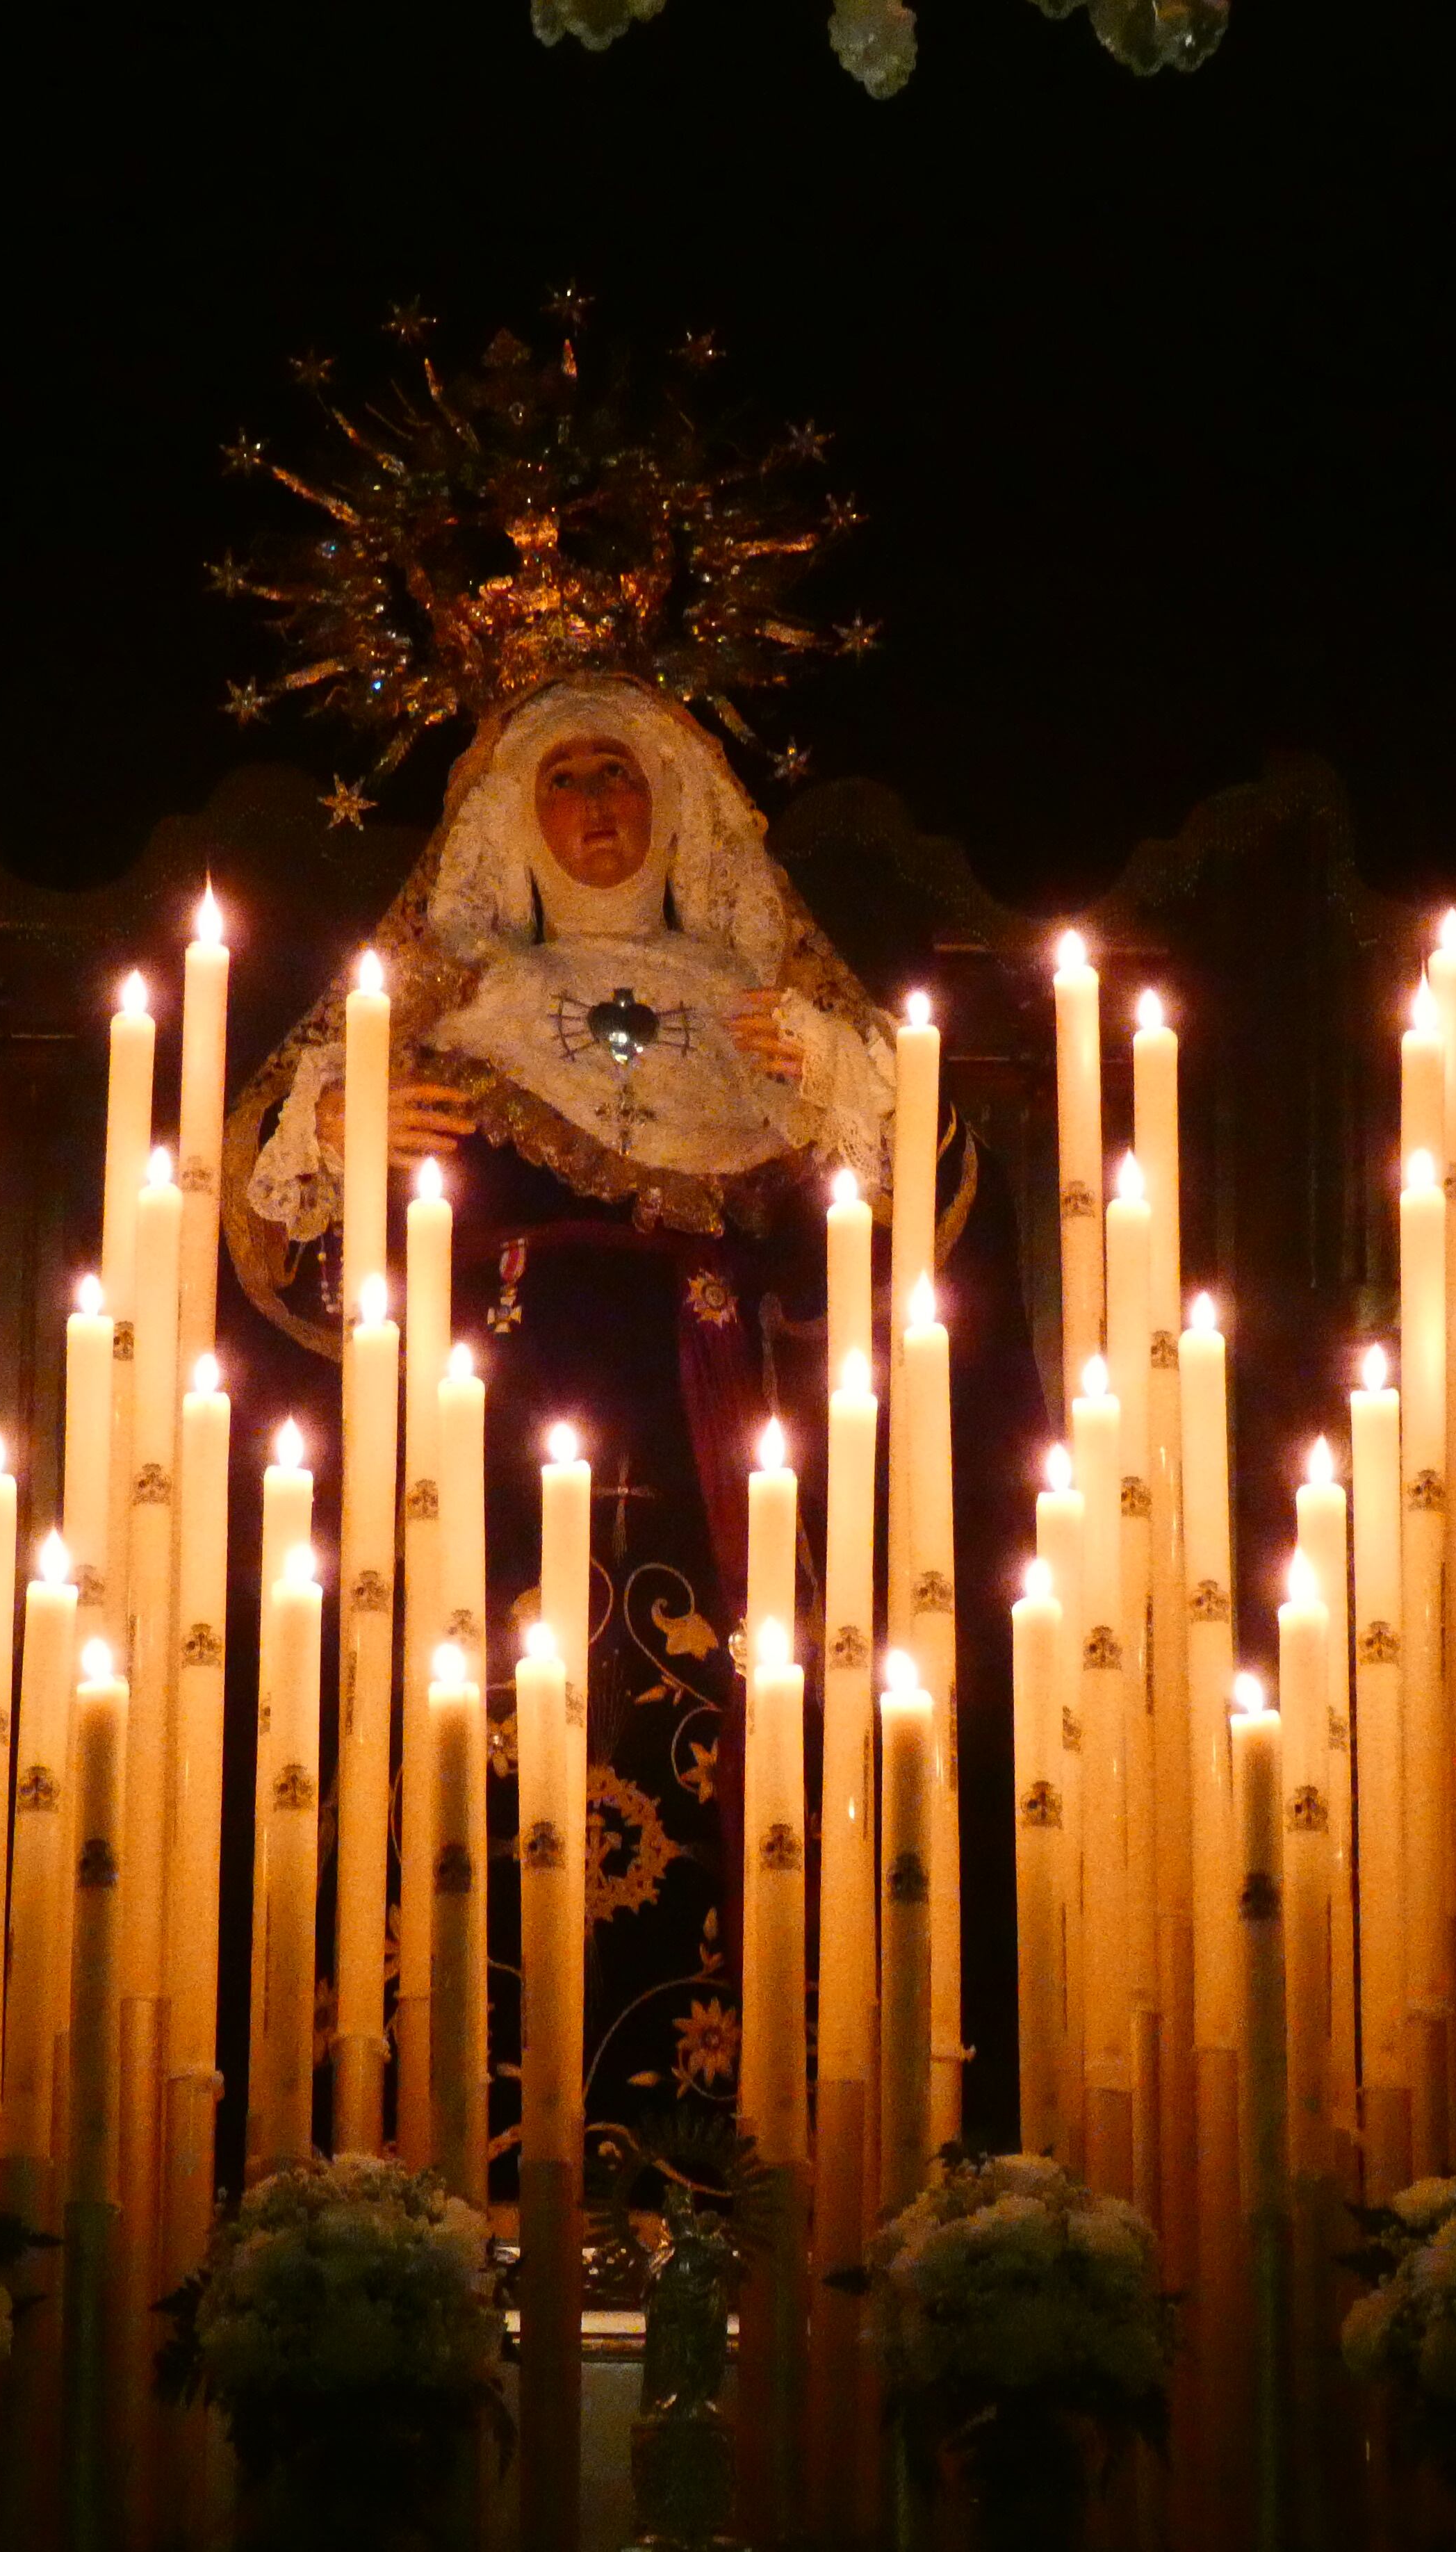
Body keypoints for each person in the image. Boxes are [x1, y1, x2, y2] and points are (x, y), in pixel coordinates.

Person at [228, 672, 956, 2173]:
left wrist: (839, 1087)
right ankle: (453, 2123)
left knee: (719, 1761)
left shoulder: (767, 1020)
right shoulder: (445, 1009)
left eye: (624, 777)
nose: (601, 809)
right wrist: (340, 1129)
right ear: (516, 817)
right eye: (567, 781)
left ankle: (715, 2132)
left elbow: (904, 1233)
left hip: (714, 1454)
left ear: (680, 802)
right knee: (480, 1738)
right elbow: (279, 1234)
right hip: (484, 1448)